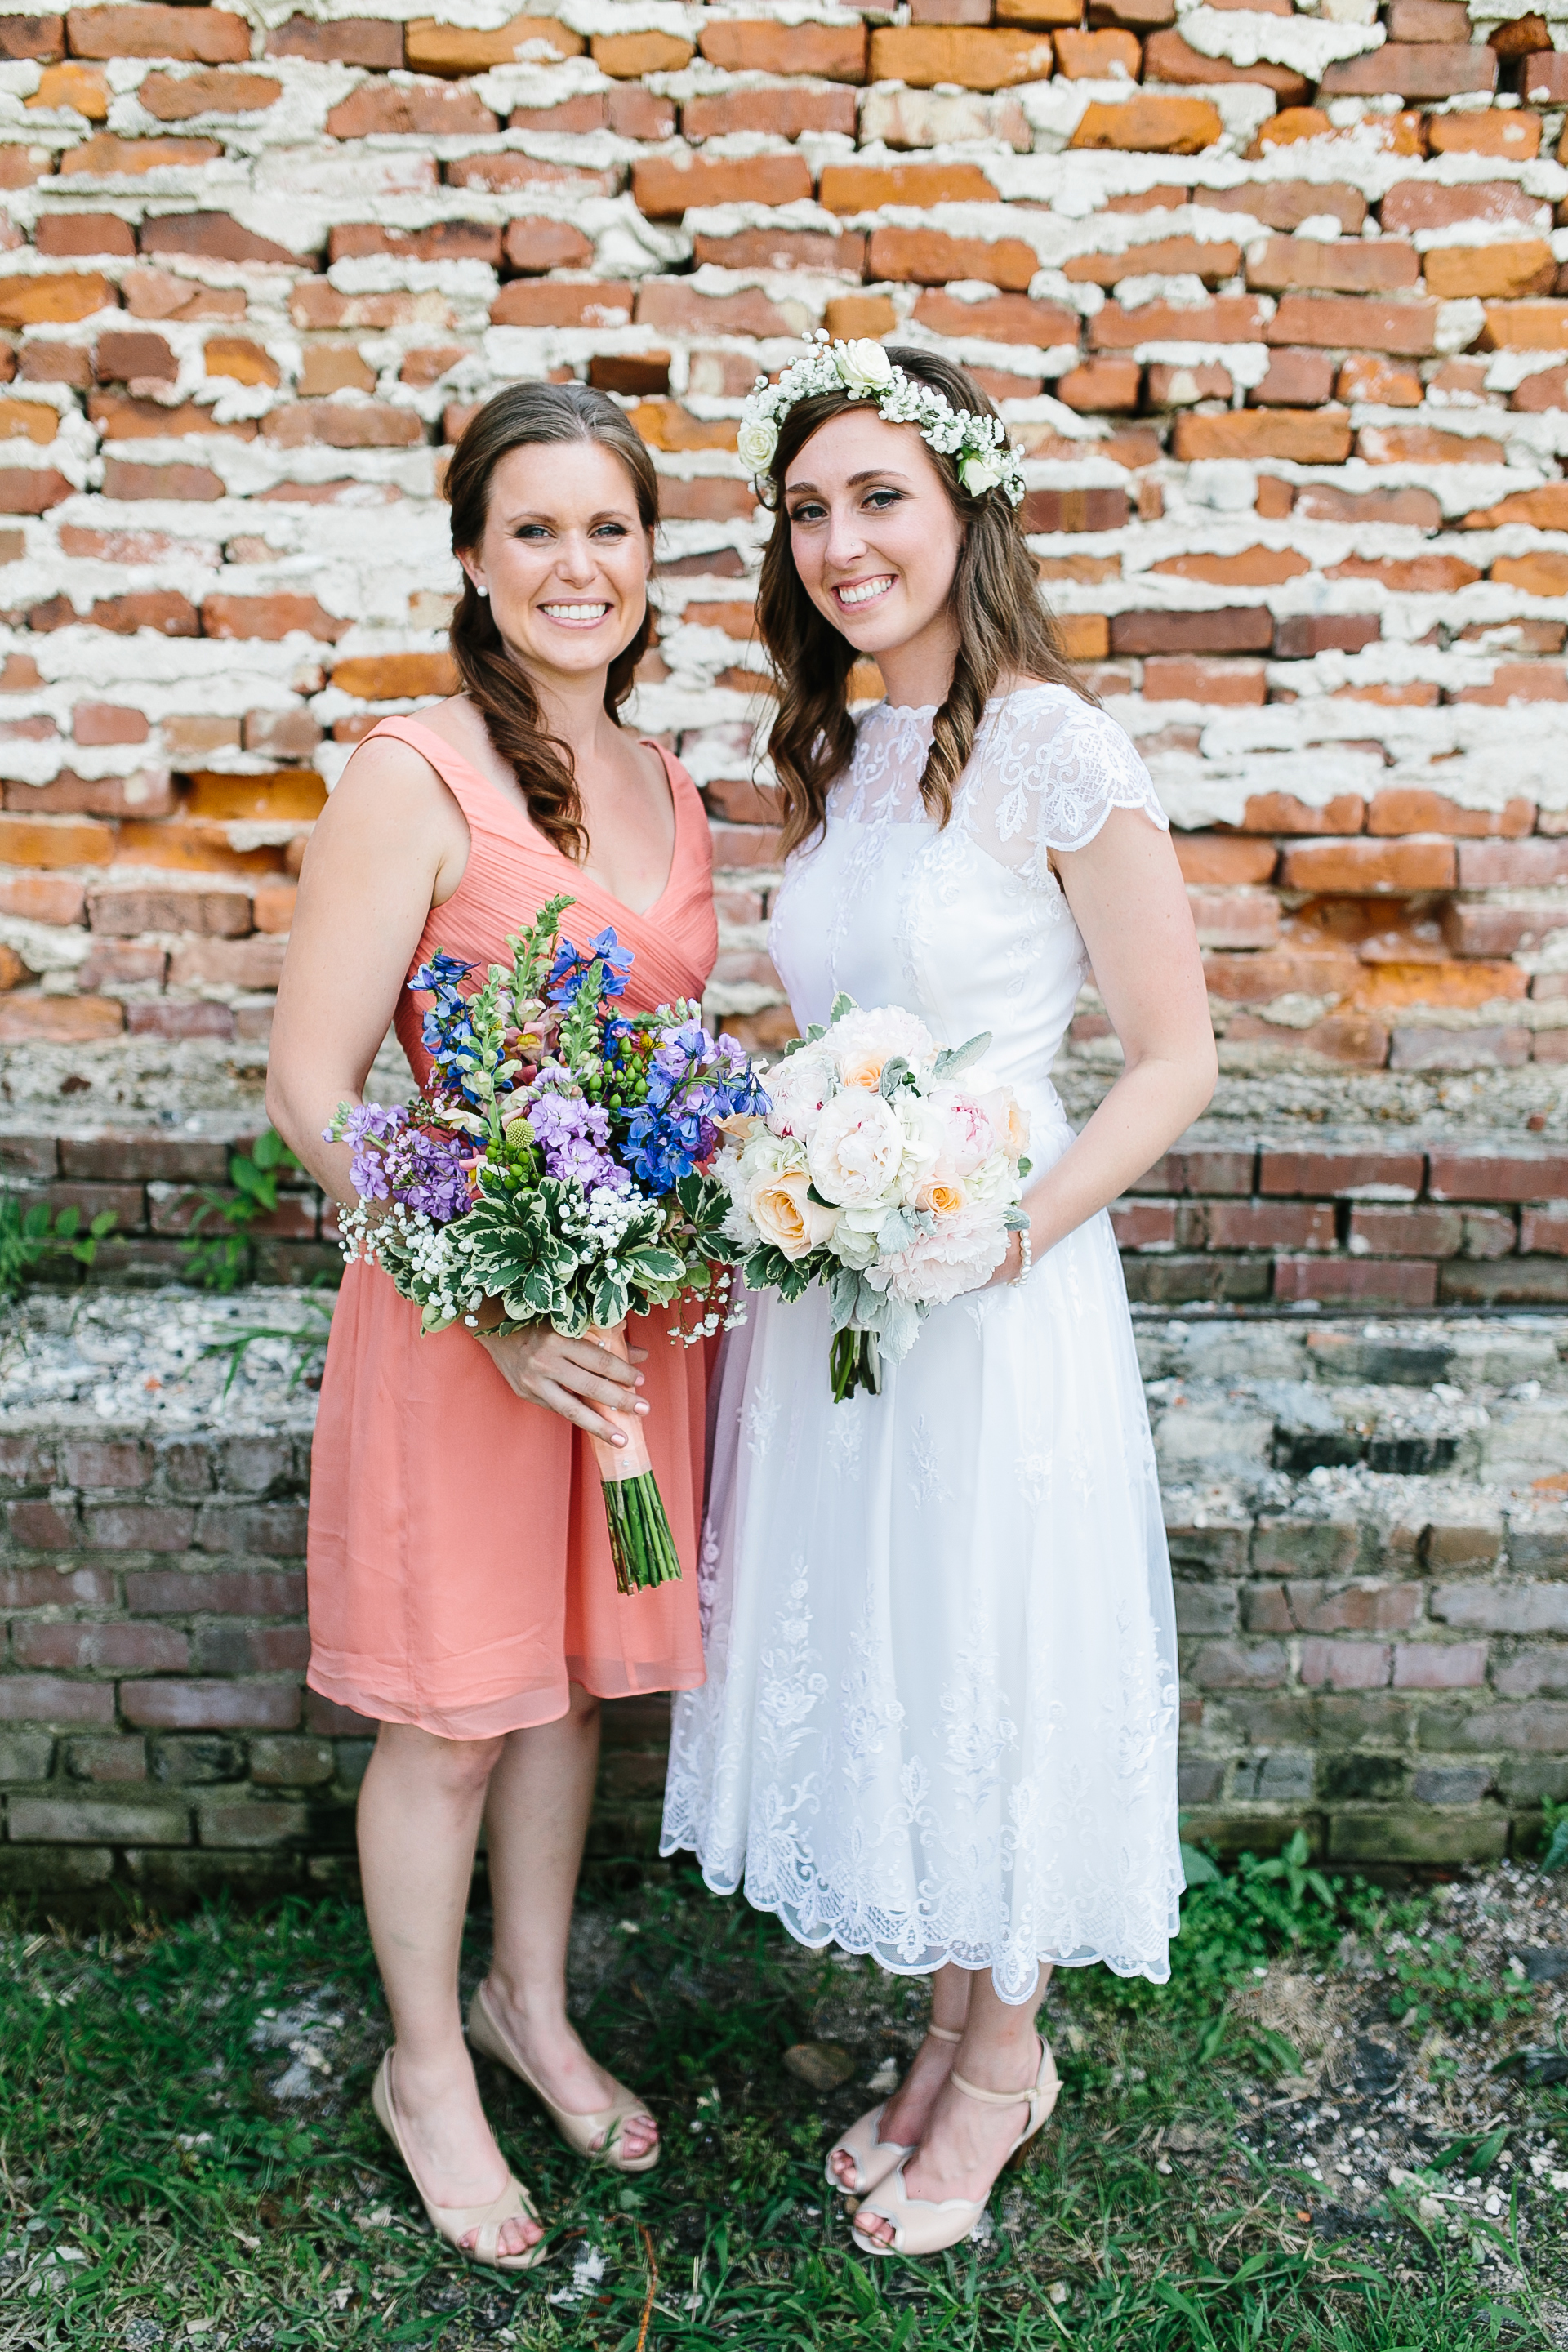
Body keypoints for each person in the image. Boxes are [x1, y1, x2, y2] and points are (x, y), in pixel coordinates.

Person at [660, 344, 1217, 2258]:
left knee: (994, 1640)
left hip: (998, 1281)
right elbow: (844, 1019)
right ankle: (947, 2028)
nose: (839, 542)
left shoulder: (1058, 743)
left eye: (878, 495)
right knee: (903, 1637)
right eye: (807, 508)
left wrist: (1007, 1232)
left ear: (967, 506)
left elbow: (1173, 1054)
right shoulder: (844, 751)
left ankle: (1003, 2069)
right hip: (844, 1287)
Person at [268, 383, 717, 2270]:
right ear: (472, 557)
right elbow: (309, 1086)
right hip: (471, 1330)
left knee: (574, 1692)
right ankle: (427, 2062)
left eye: (606, 529)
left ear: (646, 556)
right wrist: (497, 1303)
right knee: (454, 1715)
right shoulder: (412, 771)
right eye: (532, 530)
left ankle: (536, 2007)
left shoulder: (670, 779)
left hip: (626, 1334)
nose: (574, 565)